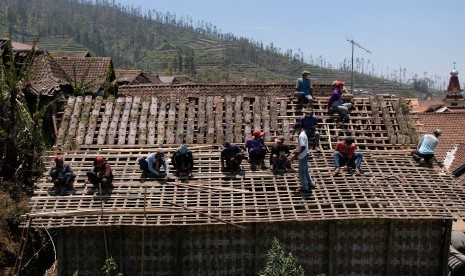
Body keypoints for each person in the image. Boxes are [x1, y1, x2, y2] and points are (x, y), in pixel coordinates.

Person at [290, 122, 315, 193]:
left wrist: (296, 155)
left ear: (299, 129)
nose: (294, 131)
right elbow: (302, 146)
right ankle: (311, 184)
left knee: (301, 172)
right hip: (305, 154)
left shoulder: (301, 136)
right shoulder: (303, 134)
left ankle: (305, 187)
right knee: (306, 170)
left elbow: (303, 147)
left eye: (295, 129)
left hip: (303, 156)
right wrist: (297, 149)